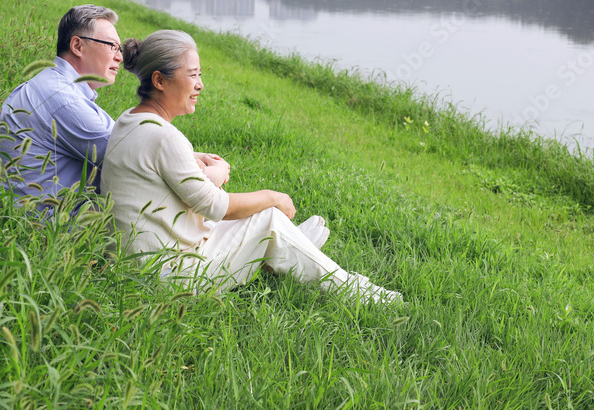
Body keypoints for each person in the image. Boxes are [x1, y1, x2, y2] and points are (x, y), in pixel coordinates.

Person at [101, 29, 402, 304]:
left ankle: (286, 247)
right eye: (192, 75)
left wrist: (198, 159)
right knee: (269, 216)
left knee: (265, 224)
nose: (200, 85)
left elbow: (163, 162)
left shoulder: (131, 119)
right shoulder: (164, 137)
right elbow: (218, 206)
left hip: (139, 267)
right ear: (159, 80)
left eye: (200, 75)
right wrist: (274, 196)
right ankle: (354, 289)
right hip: (168, 278)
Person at [0, 4, 122, 209]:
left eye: (120, 49)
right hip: (43, 229)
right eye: (112, 46)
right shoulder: (63, 99)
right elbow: (130, 157)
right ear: (78, 46)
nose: (120, 57)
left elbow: (127, 141)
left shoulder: (56, 86)